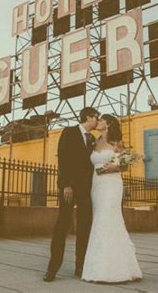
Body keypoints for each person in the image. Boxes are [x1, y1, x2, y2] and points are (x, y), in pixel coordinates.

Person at [82, 114, 142, 283]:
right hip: (97, 186)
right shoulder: (95, 141)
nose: (97, 122)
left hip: (111, 185)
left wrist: (113, 167)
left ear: (108, 124)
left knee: (109, 218)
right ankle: (98, 267)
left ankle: (114, 270)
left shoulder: (117, 142)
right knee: (99, 220)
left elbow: (125, 165)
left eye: (100, 120)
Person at [43, 107, 100, 282]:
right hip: (69, 189)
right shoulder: (69, 132)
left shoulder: (92, 139)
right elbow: (63, 159)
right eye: (96, 117)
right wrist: (66, 184)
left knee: (84, 227)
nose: (97, 121)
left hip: (86, 191)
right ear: (89, 117)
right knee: (62, 226)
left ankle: (80, 266)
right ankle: (52, 269)